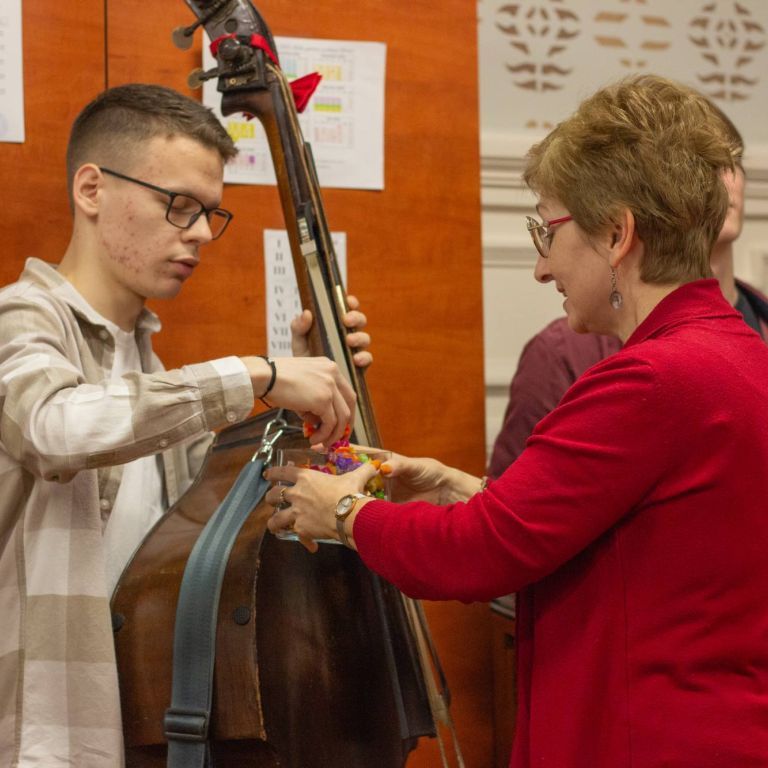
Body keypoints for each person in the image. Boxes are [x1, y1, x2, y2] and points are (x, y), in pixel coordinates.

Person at [266, 75, 768, 767]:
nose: (539, 266)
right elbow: (632, 537)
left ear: (617, 234)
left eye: (546, 231)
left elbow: (479, 555)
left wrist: (345, 514)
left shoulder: (652, 377)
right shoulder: (738, 351)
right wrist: (460, 487)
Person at [0, 83, 371, 768]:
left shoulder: (146, 365)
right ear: (92, 189)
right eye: (179, 205)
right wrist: (259, 374)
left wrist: (301, 396)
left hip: (136, 729)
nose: (200, 233)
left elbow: (206, 528)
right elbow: (54, 428)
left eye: (209, 213)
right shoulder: (19, 320)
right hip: (40, 738)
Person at [488, 96, 766, 477]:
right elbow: (524, 499)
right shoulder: (561, 353)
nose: (722, 180)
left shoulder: (732, 343)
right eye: (699, 166)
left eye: (731, 160)